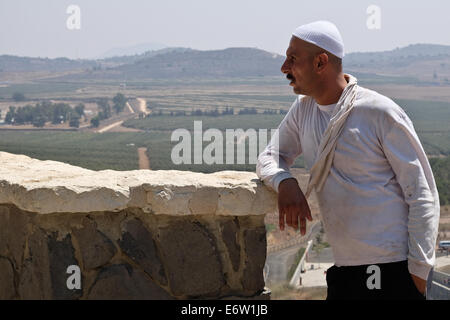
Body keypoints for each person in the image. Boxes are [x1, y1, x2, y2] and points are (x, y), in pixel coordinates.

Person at [256, 20, 440, 300]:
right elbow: (270, 156)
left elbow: (422, 193)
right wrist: (284, 181)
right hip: (344, 271)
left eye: (292, 59)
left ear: (320, 62)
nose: (284, 68)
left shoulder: (378, 112)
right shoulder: (303, 111)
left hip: (391, 269)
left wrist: (417, 272)